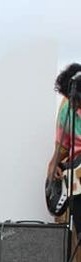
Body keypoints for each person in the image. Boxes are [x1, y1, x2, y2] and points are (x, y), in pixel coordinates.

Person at [47, 63, 81, 232]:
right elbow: (63, 145)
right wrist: (54, 164)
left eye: (74, 99)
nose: (71, 103)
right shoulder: (67, 109)